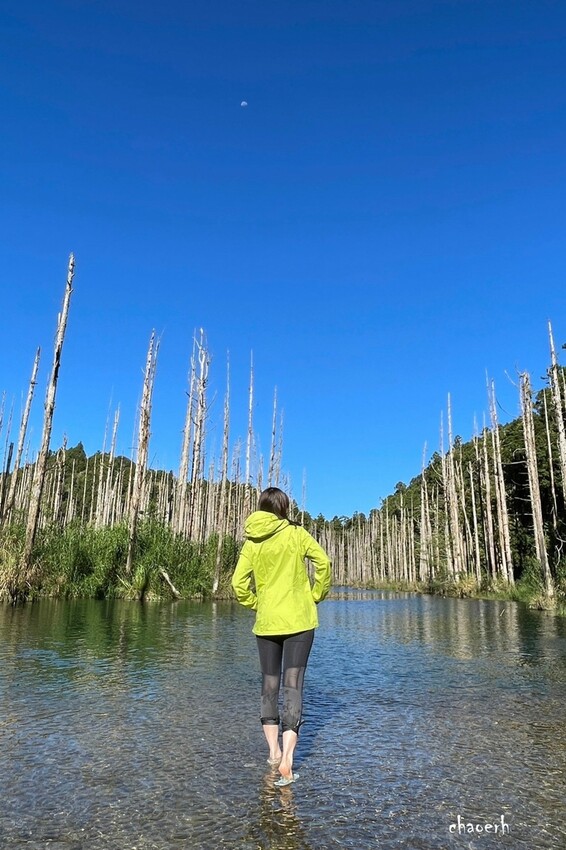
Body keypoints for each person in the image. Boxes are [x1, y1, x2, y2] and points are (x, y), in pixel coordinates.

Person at [231, 487, 331, 787]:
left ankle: (273, 752)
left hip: (267, 622)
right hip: (299, 620)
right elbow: (323, 563)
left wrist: (257, 604)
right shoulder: (296, 533)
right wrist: (316, 594)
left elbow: (238, 583)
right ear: (284, 508)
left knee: (269, 684)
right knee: (293, 685)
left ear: (261, 507)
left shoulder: (252, 541)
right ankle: (288, 758)